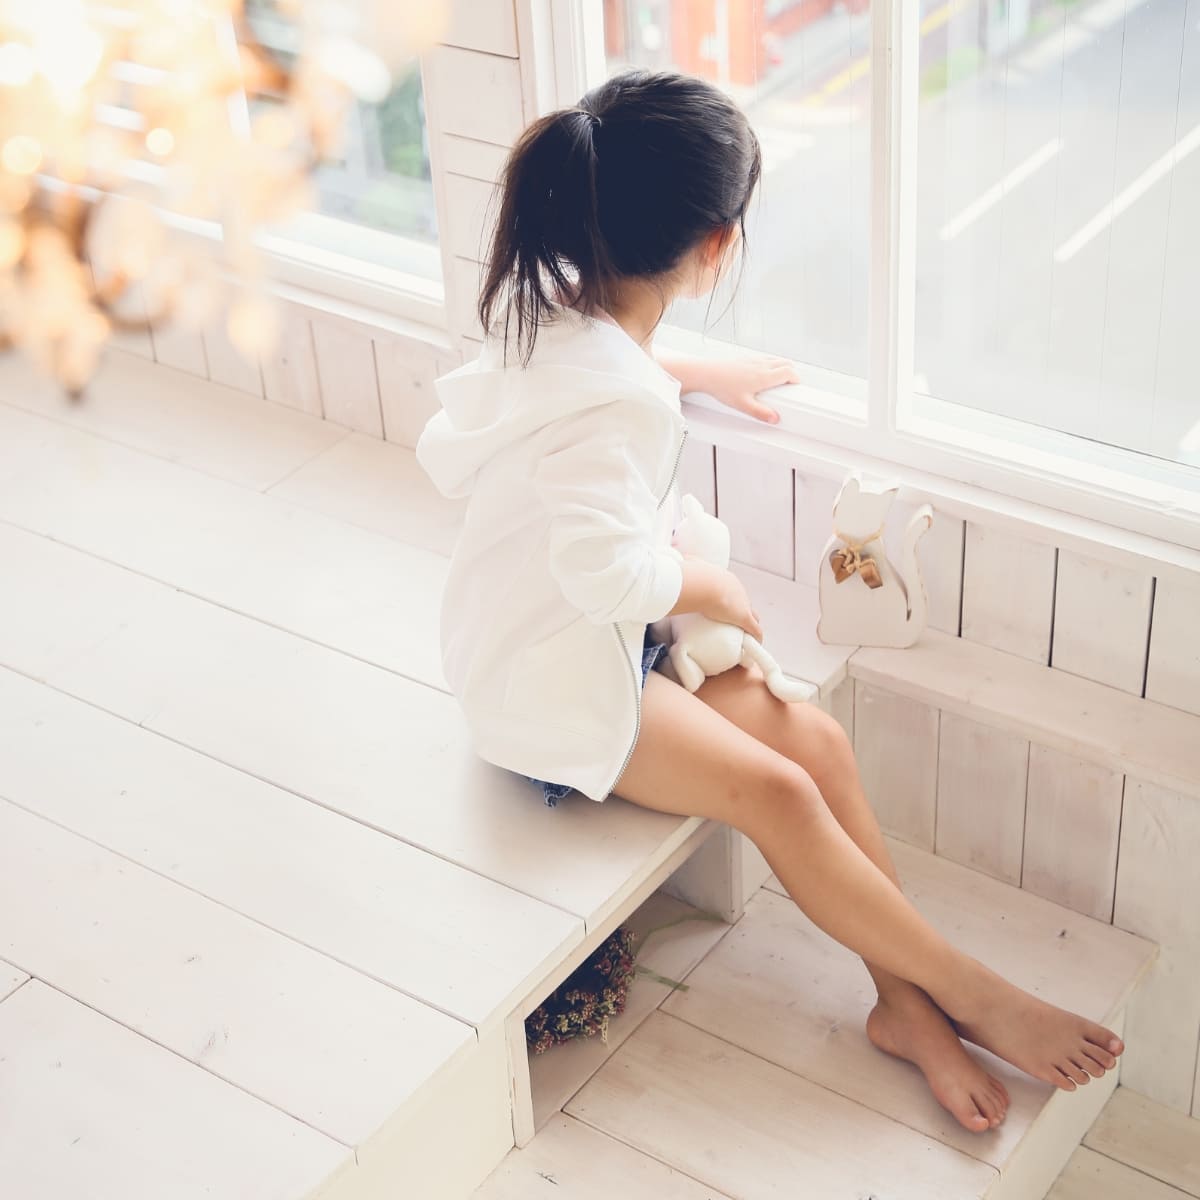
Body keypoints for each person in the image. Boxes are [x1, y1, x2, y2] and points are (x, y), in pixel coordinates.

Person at [416, 67, 1123, 1136]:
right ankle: (971, 993)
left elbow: (601, 384)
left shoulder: (557, 314)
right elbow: (605, 570)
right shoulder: (617, 405)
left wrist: (693, 374)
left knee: (816, 745)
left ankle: (904, 1006)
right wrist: (715, 584)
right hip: (547, 685)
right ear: (716, 245)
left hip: (577, 637)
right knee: (780, 794)